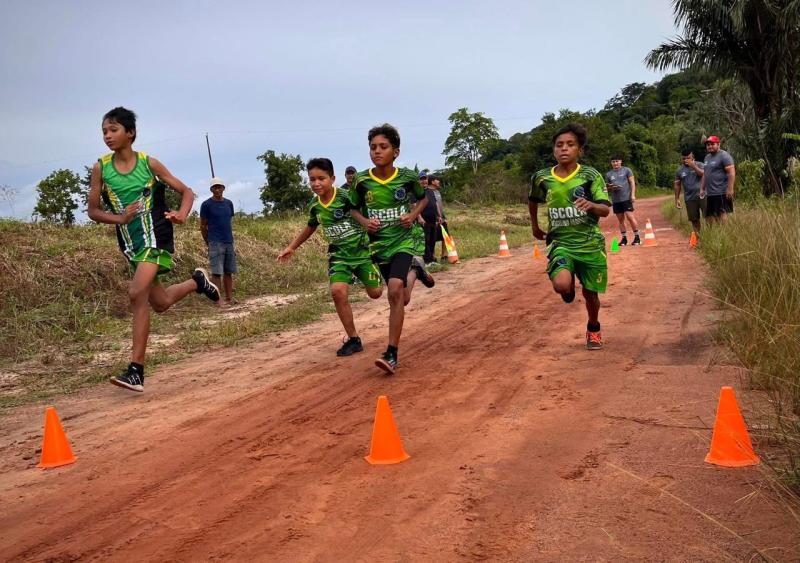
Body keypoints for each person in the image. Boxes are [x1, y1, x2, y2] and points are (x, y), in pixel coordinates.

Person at [87, 107, 219, 393]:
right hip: (130, 241)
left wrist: (183, 214)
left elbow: (186, 192)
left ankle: (136, 370)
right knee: (159, 302)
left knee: (137, 294)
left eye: (114, 130)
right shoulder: (101, 167)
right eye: (104, 132)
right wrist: (120, 218)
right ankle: (197, 282)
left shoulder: (149, 164)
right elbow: (93, 211)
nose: (108, 136)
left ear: (130, 133)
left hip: (156, 235)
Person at [349, 123, 435, 374]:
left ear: (395, 152)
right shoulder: (362, 181)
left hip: (403, 241)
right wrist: (365, 222)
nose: (377, 151)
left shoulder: (407, 177)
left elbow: (424, 197)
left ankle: (392, 353)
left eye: (383, 147)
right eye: (373, 147)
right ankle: (415, 272)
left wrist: (412, 214)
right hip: (379, 245)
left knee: (394, 290)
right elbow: (353, 208)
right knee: (402, 297)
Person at [278, 158, 383, 356]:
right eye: (312, 179)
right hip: (338, 256)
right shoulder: (314, 205)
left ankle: (380, 271)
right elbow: (311, 226)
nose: (316, 183)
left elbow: (366, 213)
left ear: (332, 178)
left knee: (376, 293)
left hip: (362, 253)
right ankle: (353, 339)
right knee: (337, 292)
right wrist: (292, 247)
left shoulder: (346, 197)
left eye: (321, 178)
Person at [528, 123, 611, 350]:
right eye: (559, 145)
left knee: (591, 293)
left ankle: (593, 328)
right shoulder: (542, 177)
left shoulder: (589, 175)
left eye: (570, 144)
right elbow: (533, 200)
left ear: (579, 150)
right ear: (554, 150)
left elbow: (605, 209)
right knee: (561, 284)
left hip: (589, 244)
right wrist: (535, 225)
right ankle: (568, 286)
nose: (564, 149)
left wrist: (591, 204)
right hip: (561, 242)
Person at [200, 178, 238, 306]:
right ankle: (218, 300)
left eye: (219, 187)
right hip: (215, 241)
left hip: (228, 241)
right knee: (217, 272)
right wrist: (208, 241)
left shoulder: (229, 204)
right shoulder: (206, 205)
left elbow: (228, 221)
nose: (217, 190)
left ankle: (229, 298)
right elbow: (203, 225)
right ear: (211, 190)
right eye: (215, 187)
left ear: (223, 188)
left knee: (228, 271)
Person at [699, 135, 735, 224]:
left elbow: (731, 172)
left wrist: (730, 189)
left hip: (721, 192)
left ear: (718, 144)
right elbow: (705, 173)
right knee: (711, 216)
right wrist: (702, 188)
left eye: (712, 144)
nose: (709, 146)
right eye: (708, 145)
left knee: (722, 214)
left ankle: (725, 234)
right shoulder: (707, 157)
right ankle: (716, 235)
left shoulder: (724, 156)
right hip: (710, 193)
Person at [605, 157, 640, 246]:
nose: (615, 163)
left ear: (620, 161)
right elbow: (607, 188)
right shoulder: (609, 174)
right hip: (616, 200)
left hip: (626, 198)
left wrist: (632, 195)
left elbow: (632, 183)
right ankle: (624, 239)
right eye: (613, 161)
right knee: (621, 220)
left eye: (617, 161)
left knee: (630, 217)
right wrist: (610, 188)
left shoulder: (627, 170)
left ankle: (637, 237)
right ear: (611, 163)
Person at [674, 149, 706, 236]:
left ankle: (710, 237)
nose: (685, 160)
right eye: (684, 159)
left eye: (688, 158)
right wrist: (677, 199)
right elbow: (677, 185)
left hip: (703, 196)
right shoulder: (679, 170)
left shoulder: (700, 164)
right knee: (694, 219)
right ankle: (697, 238)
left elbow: (703, 174)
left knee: (708, 217)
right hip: (689, 198)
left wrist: (694, 166)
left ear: (693, 157)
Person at [419, 171, 441, 265]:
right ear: (418, 181)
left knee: (433, 239)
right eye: (422, 179)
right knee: (426, 240)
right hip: (424, 220)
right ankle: (427, 260)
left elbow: (435, 203)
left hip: (433, 219)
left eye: (425, 178)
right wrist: (419, 217)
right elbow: (413, 206)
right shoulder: (417, 192)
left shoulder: (430, 191)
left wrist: (438, 216)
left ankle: (432, 258)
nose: (424, 181)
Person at [428, 175, 449, 261]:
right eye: (437, 180)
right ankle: (432, 257)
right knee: (432, 239)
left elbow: (440, 206)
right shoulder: (428, 192)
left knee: (446, 236)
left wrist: (444, 217)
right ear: (432, 182)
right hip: (433, 220)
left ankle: (444, 255)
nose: (439, 181)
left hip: (442, 219)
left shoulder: (437, 192)